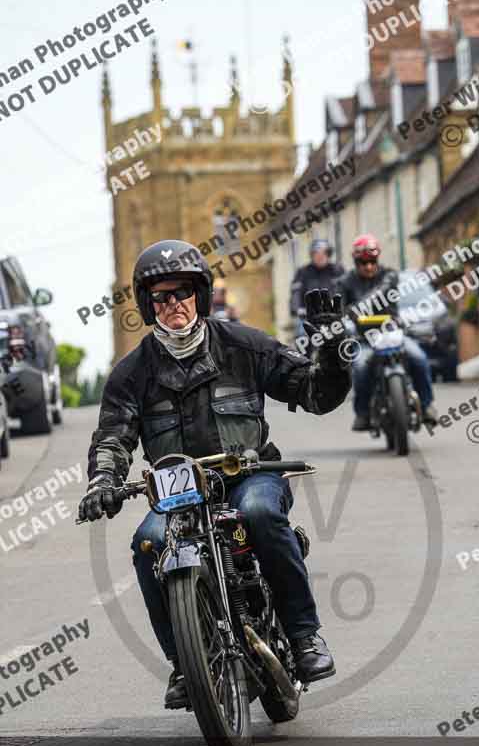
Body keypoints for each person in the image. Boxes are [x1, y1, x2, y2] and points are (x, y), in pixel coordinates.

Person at [78, 239, 350, 710]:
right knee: (148, 543)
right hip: (178, 493)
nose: (174, 305)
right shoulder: (131, 373)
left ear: (200, 296)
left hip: (250, 474)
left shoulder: (245, 346)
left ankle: (305, 638)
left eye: (182, 293)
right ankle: (185, 664)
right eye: (161, 297)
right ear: (148, 305)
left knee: (260, 513)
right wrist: (102, 482)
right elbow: (113, 438)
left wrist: (331, 357)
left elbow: (314, 392)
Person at [341, 234, 437, 431]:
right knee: (360, 367)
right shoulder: (345, 282)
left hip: (392, 334)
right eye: (363, 262)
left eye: (372, 262)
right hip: (364, 339)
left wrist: (358, 308)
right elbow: (339, 307)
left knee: (419, 358)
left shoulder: (389, 276)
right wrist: (343, 314)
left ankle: (427, 406)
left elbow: (382, 292)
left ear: (377, 259)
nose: (368, 266)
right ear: (355, 261)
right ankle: (362, 413)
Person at [290, 239, 344, 340]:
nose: (320, 257)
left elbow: (344, 290)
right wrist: (296, 309)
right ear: (312, 255)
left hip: (333, 315)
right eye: (317, 254)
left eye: (324, 253)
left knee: (348, 334)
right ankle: (303, 356)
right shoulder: (302, 272)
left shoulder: (337, 270)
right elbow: (295, 293)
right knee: (302, 337)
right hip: (308, 316)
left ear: (329, 254)